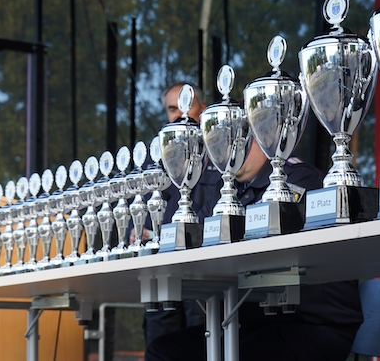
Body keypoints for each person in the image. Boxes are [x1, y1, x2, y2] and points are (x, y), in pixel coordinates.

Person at [144, 139, 364, 361]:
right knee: (163, 351)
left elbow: (271, 250)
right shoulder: (225, 189)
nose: (228, 151)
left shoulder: (298, 178)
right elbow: (192, 239)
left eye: (239, 140)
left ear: (263, 137)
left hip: (310, 325)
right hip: (250, 324)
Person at [138, 81, 223, 347]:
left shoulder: (220, 151)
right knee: (161, 342)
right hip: (162, 269)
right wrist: (140, 229)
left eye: (186, 106)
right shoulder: (157, 158)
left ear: (203, 109)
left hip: (205, 268)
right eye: (172, 109)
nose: (179, 114)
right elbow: (142, 207)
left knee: (201, 343)